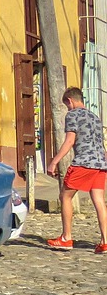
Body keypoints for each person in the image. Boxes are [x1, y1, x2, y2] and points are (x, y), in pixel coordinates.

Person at [46, 86, 107, 252]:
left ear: (70, 101)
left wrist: (54, 162)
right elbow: (101, 144)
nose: (67, 108)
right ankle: (105, 241)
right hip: (100, 163)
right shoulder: (95, 117)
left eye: (66, 105)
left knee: (65, 196)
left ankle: (66, 238)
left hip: (83, 162)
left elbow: (70, 141)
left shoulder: (72, 115)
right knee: (99, 200)